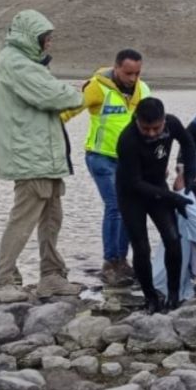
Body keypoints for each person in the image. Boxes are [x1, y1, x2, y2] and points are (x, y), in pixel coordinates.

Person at [0, 9, 84, 302]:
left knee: (52, 216)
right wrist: (80, 92)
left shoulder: (27, 62)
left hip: (43, 155)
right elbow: (55, 96)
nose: (49, 44)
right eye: (46, 38)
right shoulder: (17, 64)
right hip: (30, 156)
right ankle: (0, 281)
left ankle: (51, 275)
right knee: (24, 217)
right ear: (33, 38)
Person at [61, 49, 150, 286]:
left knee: (129, 208)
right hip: (101, 157)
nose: (133, 78)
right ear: (117, 67)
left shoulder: (143, 90)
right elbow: (68, 111)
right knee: (115, 206)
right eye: (128, 73)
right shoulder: (97, 87)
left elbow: (151, 126)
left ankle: (122, 260)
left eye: (137, 73)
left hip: (129, 160)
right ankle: (110, 262)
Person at [115, 97, 196, 313]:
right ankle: (150, 297)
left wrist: (188, 173)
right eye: (146, 128)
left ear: (163, 121)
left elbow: (188, 144)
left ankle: (173, 295)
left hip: (157, 187)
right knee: (142, 247)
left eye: (156, 128)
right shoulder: (128, 139)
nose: (151, 133)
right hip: (131, 193)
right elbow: (135, 183)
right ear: (137, 121)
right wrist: (173, 198)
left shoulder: (172, 124)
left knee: (172, 239)